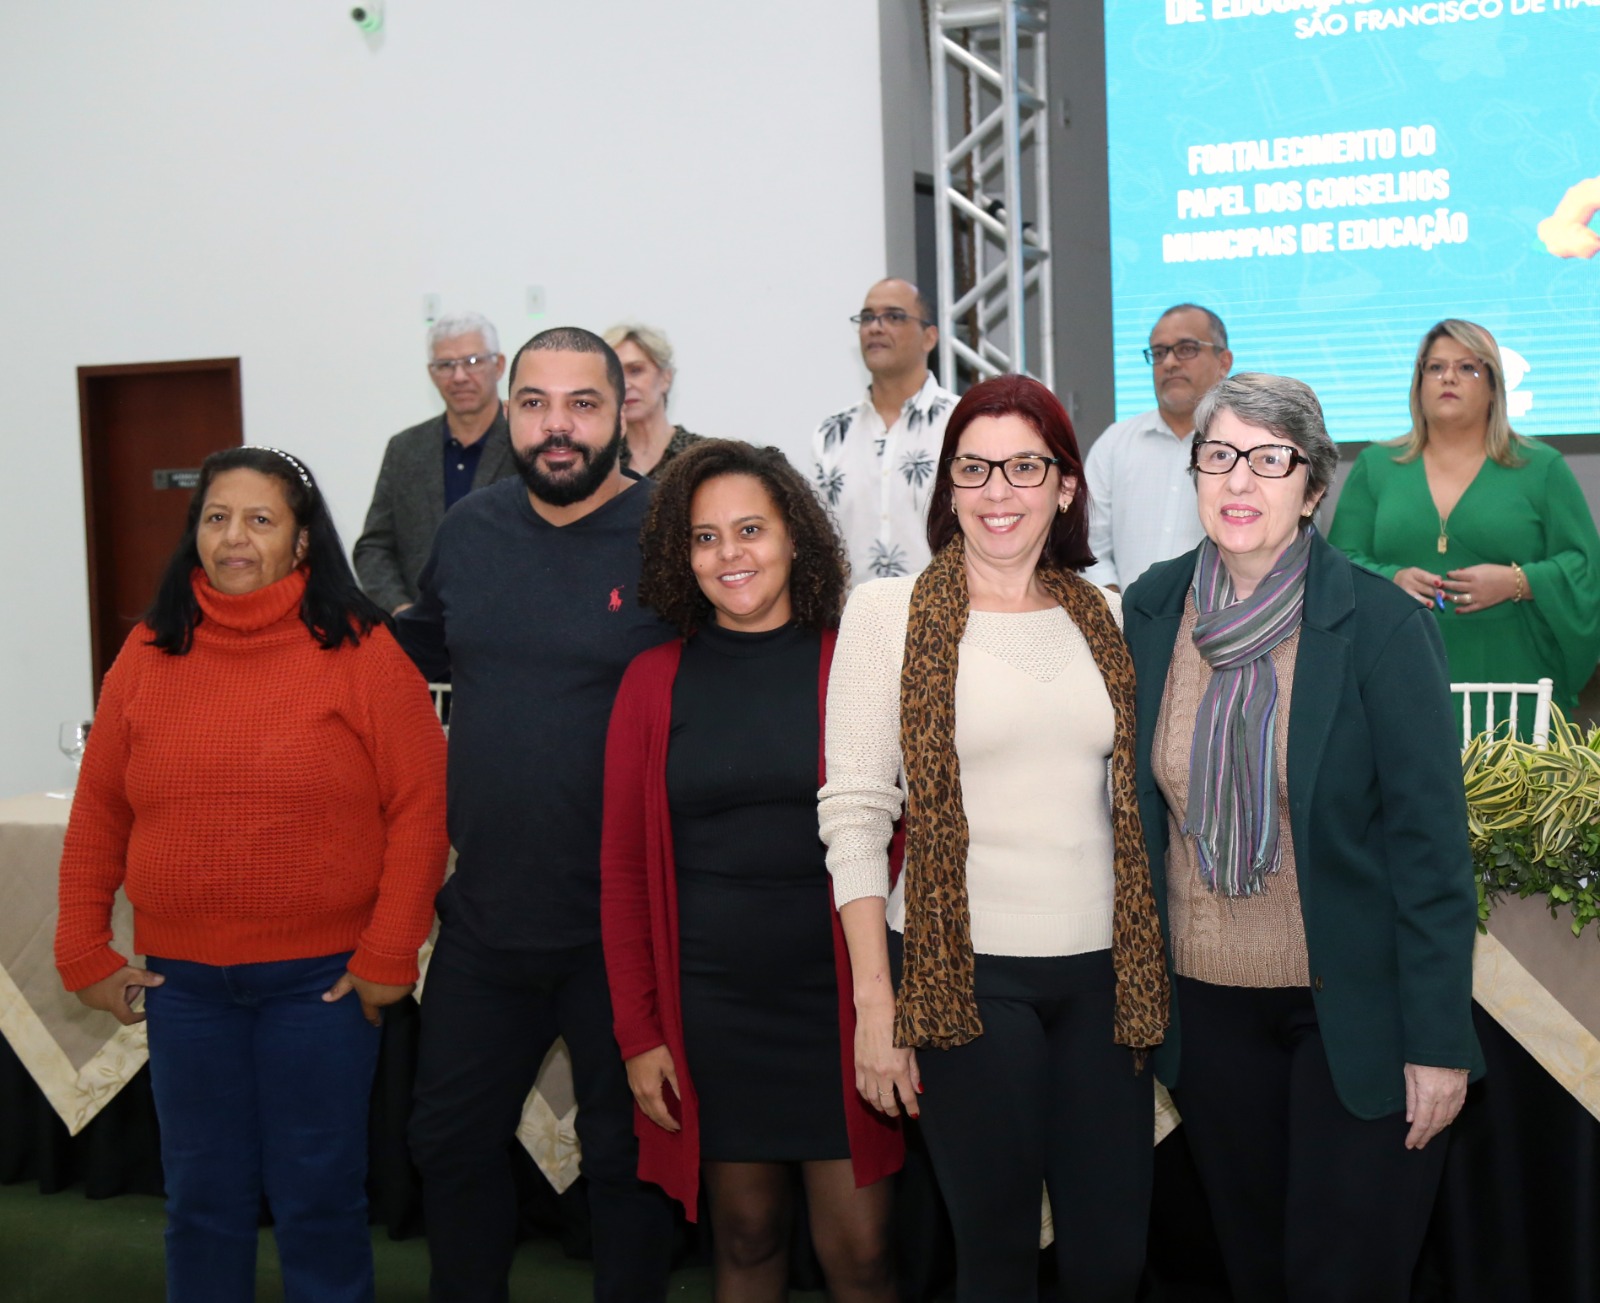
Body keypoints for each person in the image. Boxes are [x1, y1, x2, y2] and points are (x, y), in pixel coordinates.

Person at [55, 446, 448, 1303]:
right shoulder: (148, 651)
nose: (234, 536)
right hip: (183, 986)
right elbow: (100, 811)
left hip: (320, 986)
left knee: (319, 1201)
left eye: (260, 519)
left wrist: (390, 950)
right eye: (217, 517)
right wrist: (83, 947)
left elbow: (421, 807)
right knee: (201, 1202)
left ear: (302, 541)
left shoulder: (364, 652)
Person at [1123, 373, 1484, 1303]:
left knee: (1344, 1277)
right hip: (1207, 1012)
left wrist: (1438, 1041)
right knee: (1255, 1272)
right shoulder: (1153, 610)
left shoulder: (1379, 624)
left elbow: (1432, 854)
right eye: (1219, 455)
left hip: (1354, 1018)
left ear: (1313, 486)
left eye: (1270, 459)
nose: (1240, 479)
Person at [818, 375, 1169, 1302]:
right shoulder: (886, 613)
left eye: (1024, 467)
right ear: (949, 486)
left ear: (1065, 484)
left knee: (1111, 1262)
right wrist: (875, 1004)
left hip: (1108, 977)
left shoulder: (1109, 615)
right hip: (959, 973)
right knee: (998, 1259)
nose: (998, 491)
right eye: (974, 469)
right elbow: (855, 814)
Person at [397, 326, 677, 1303]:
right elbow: (412, 655)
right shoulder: (469, 530)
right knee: (447, 1141)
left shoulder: (670, 534)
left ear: (621, 412)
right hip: (484, 918)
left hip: (622, 928)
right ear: (509, 412)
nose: (557, 427)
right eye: (535, 403)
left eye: (582, 404)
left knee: (627, 1163)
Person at [601, 439, 902, 1301]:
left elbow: (904, 841)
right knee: (744, 1236)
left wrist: (890, 1003)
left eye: (750, 529)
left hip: (843, 1003)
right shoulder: (652, 681)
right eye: (705, 537)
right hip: (712, 1011)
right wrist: (640, 1034)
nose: (729, 554)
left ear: (794, 536)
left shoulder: (854, 664)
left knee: (862, 1253)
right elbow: (623, 871)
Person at [1328, 319, 1600, 737]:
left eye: (1467, 368)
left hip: (1516, 681)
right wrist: (1391, 579)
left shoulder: (1540, 466)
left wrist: (1518, 582)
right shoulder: (1375, 466)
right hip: (1400, 674)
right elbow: (1338, 562)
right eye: (1435, 367)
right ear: (1418, 384)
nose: (1448, 377)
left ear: (1494, 387)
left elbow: (1585, 566)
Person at [354, 311, 517, 612]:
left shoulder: (526, 445)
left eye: (472, 361)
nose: (459, 377)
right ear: (432, 374)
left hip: (508, 624)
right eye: (445, 365)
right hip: (420, 630)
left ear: (498, 366)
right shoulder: (405, 449)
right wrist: (399, 609)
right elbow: (373, 547)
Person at [811, 278, 957, 581]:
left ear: (929, 337)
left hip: (946, 607)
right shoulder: (832, 433)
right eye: (867, 318)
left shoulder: (962, 423)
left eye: (893, 316)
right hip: (853, 609)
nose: (875, 328)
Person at [1082, 303, 1233, 591]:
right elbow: (1090, 548)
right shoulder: (1114, 443)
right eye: (1160, 352)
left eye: (1186, 349)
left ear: (1223, 362)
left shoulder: (1243, 448)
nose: (1170, 362)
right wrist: (1119, 608)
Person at [602, 322, 703, 476]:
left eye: (635, 370)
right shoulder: (601, 461)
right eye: (614, 375)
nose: (625, 385)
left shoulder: (702, 455)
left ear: (665, 378)